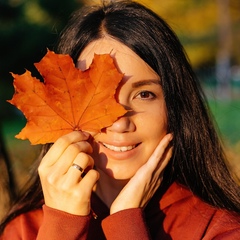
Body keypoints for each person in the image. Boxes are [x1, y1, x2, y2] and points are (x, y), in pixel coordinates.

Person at [1, 0, 240, 239]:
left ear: (175, 106)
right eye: (100, 97)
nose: (120, 122)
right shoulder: (24, 231)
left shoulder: (218, 229)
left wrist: (125, 222)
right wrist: (61, 226)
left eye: (144, 95)